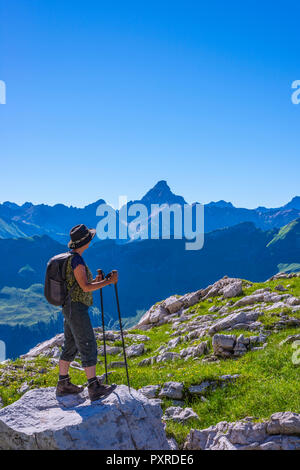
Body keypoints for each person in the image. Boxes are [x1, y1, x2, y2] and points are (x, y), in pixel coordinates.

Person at [56, 224, 117, 402]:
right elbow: (85, 287)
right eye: (90, 237)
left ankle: (63, 384)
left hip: (68, 307)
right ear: (86, 241)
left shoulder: (70, 258)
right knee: (87, 342)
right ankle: (94, 387)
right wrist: (107, 282)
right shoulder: (77, 260)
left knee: (71, 344)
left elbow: (79, 284)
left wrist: (96, 281)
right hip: (76, 308)